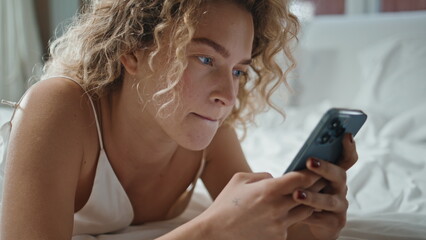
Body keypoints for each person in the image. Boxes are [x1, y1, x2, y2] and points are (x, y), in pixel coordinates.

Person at [0, 0, 358, 239]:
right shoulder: (59, 108)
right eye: (205, 59)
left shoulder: (208, 132)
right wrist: (210, 231)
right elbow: (222, 227)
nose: (228, 96)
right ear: (132, 50)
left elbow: (264, 227)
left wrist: (312, 218)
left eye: (238, 71)